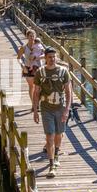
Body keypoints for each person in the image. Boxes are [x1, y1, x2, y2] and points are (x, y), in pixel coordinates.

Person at [32, 46, 72, 178]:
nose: (52, 59)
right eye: (49, 57)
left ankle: (56, 154)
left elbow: (68, 92)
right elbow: (36, 92)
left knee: (58, 135)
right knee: (49, 136)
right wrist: (35, 110)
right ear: (45, 58)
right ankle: (52, 165)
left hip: (60, 108)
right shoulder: (40, 72)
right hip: (46, 108)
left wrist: (67, 110)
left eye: (54, 57)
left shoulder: (63, 71)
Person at [17, 29, 43, 107]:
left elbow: (45, 55)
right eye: (30, 36)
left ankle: (37, 102)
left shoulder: (39, 46)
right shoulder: (24, 47)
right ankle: (34, 104)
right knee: (32, 86)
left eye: (33, 36)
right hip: (28, 68)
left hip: (38, 68)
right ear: (27, 37)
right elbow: (18, 58)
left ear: (35, 36)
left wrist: (37, 57)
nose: (32, 37)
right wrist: (22, 66)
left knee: (39, 87)